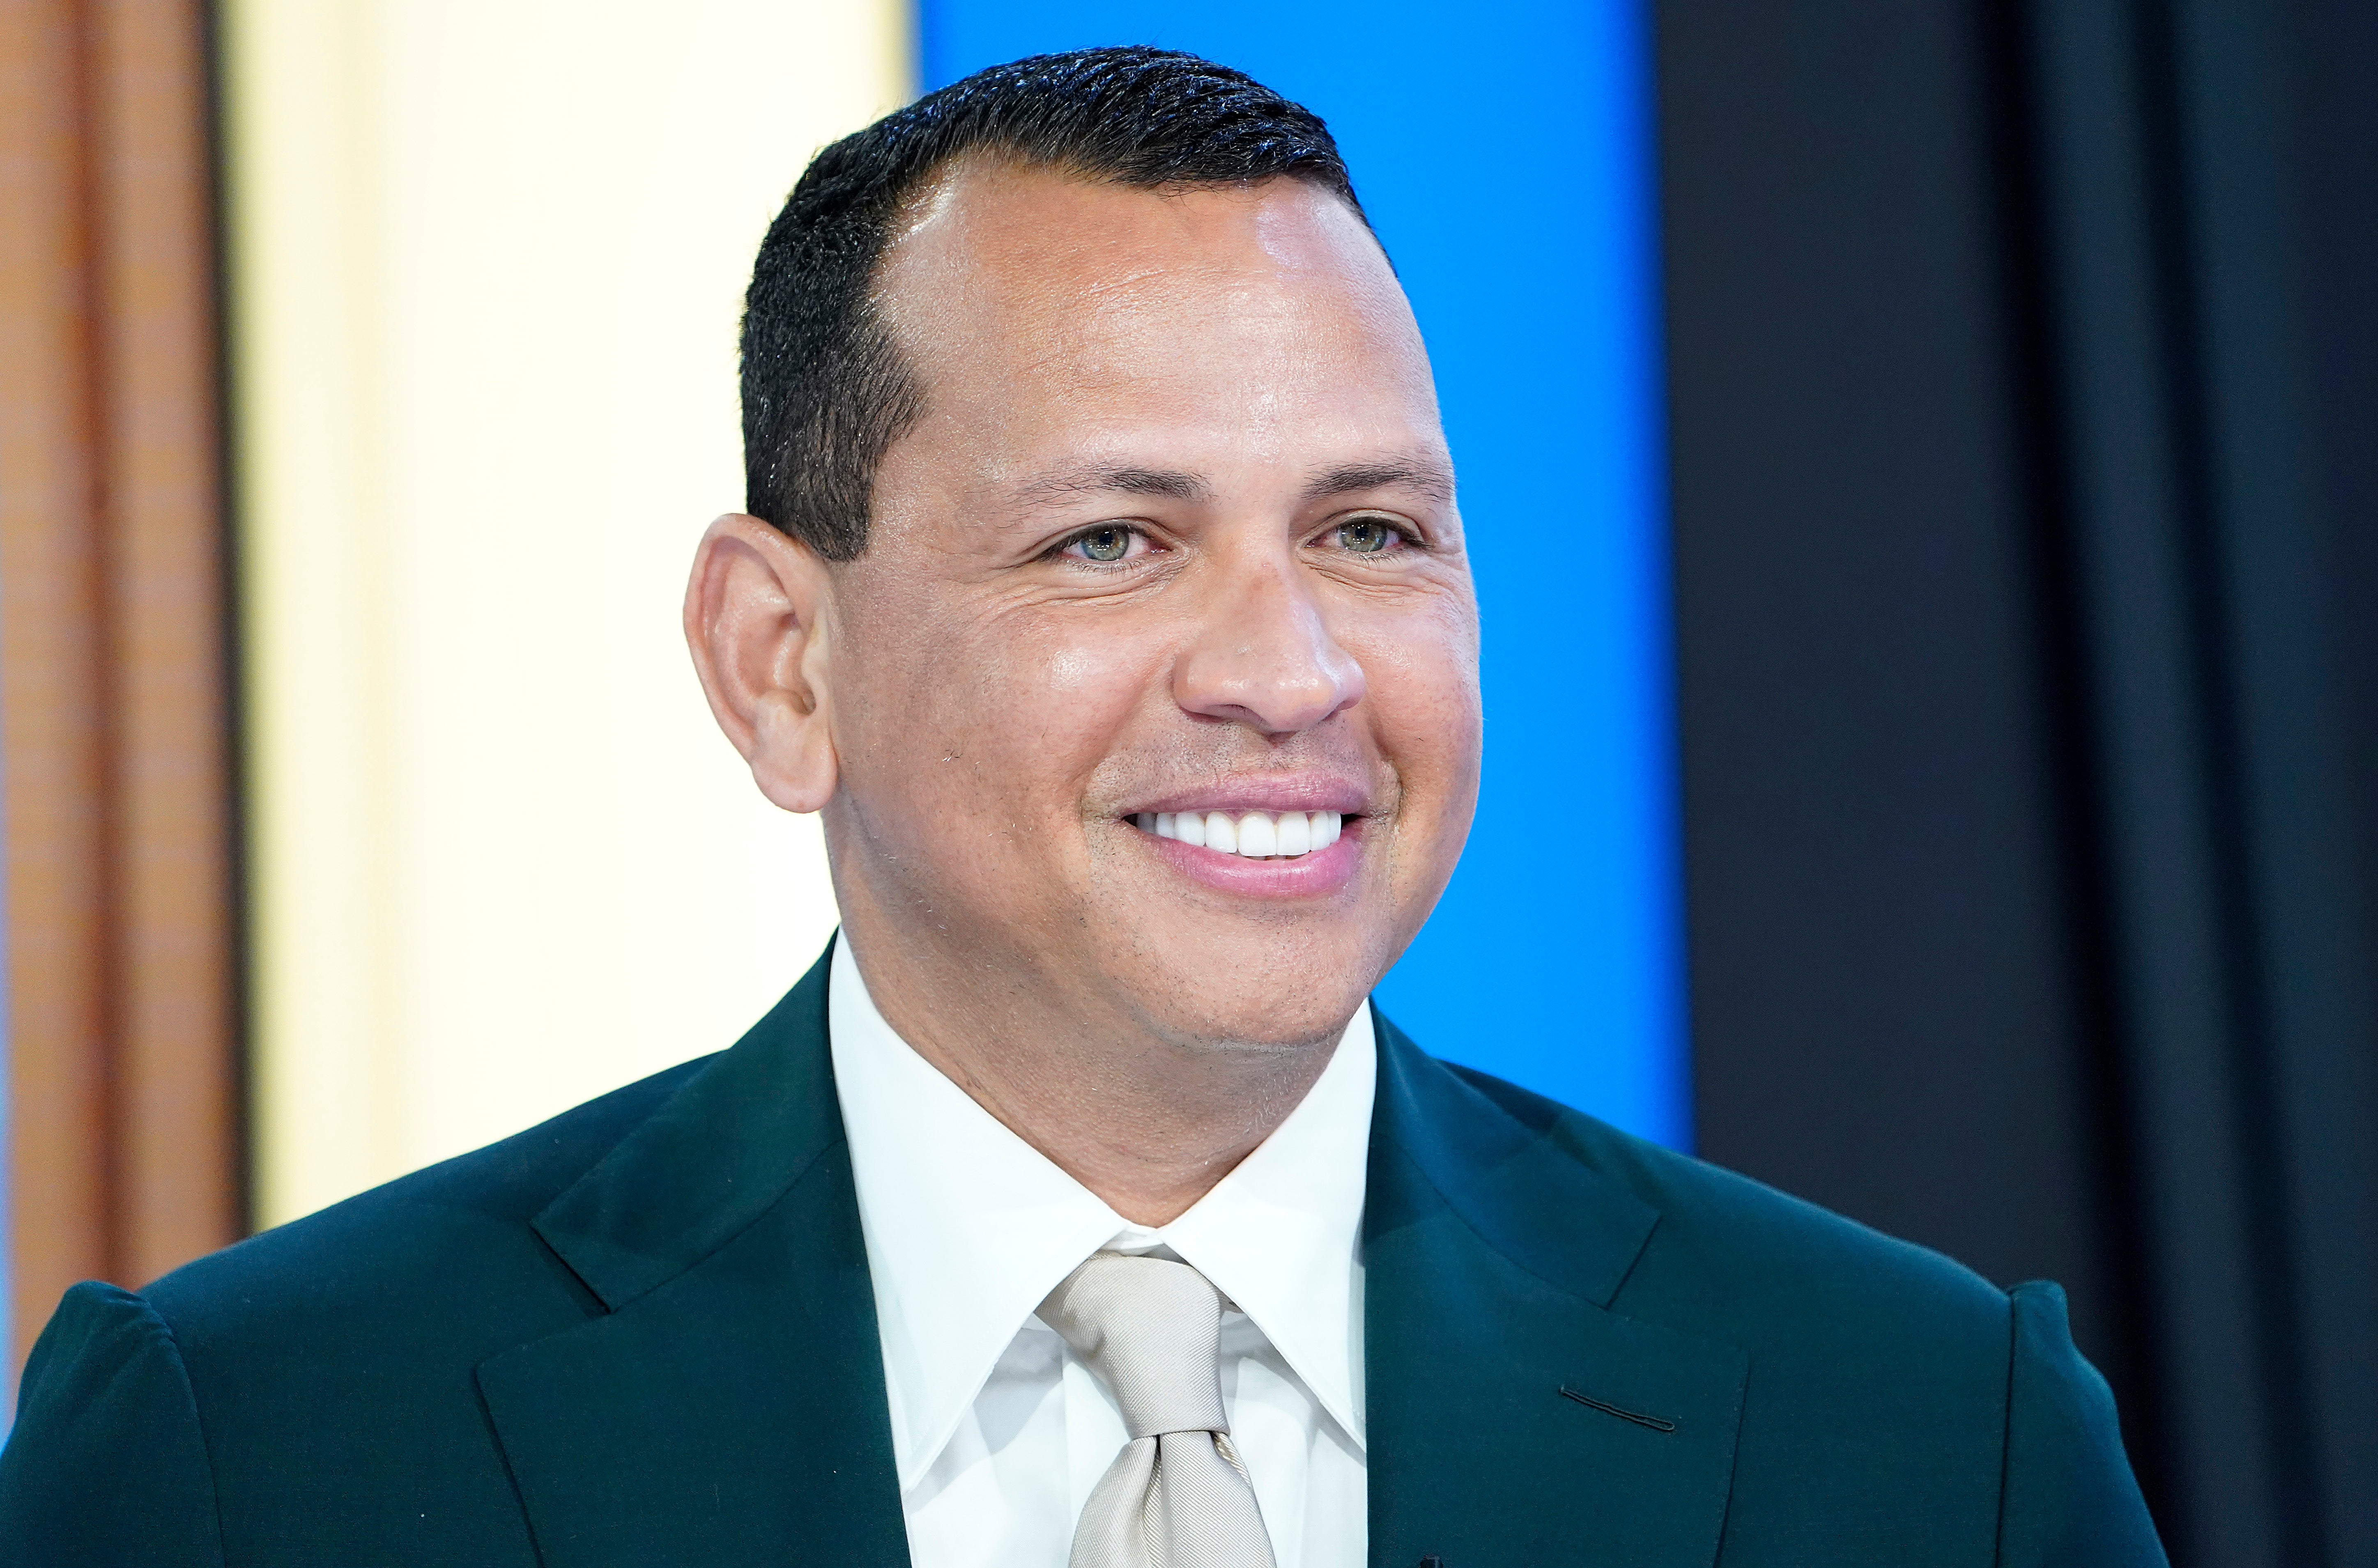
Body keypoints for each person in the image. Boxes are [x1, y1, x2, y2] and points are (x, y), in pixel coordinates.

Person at [0, 47, 2164, 1567]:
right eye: (1116, 542)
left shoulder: (1924, 1440)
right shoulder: (256, 1452)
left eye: (1375, 535)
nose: (1289, 671)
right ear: (783, 664)